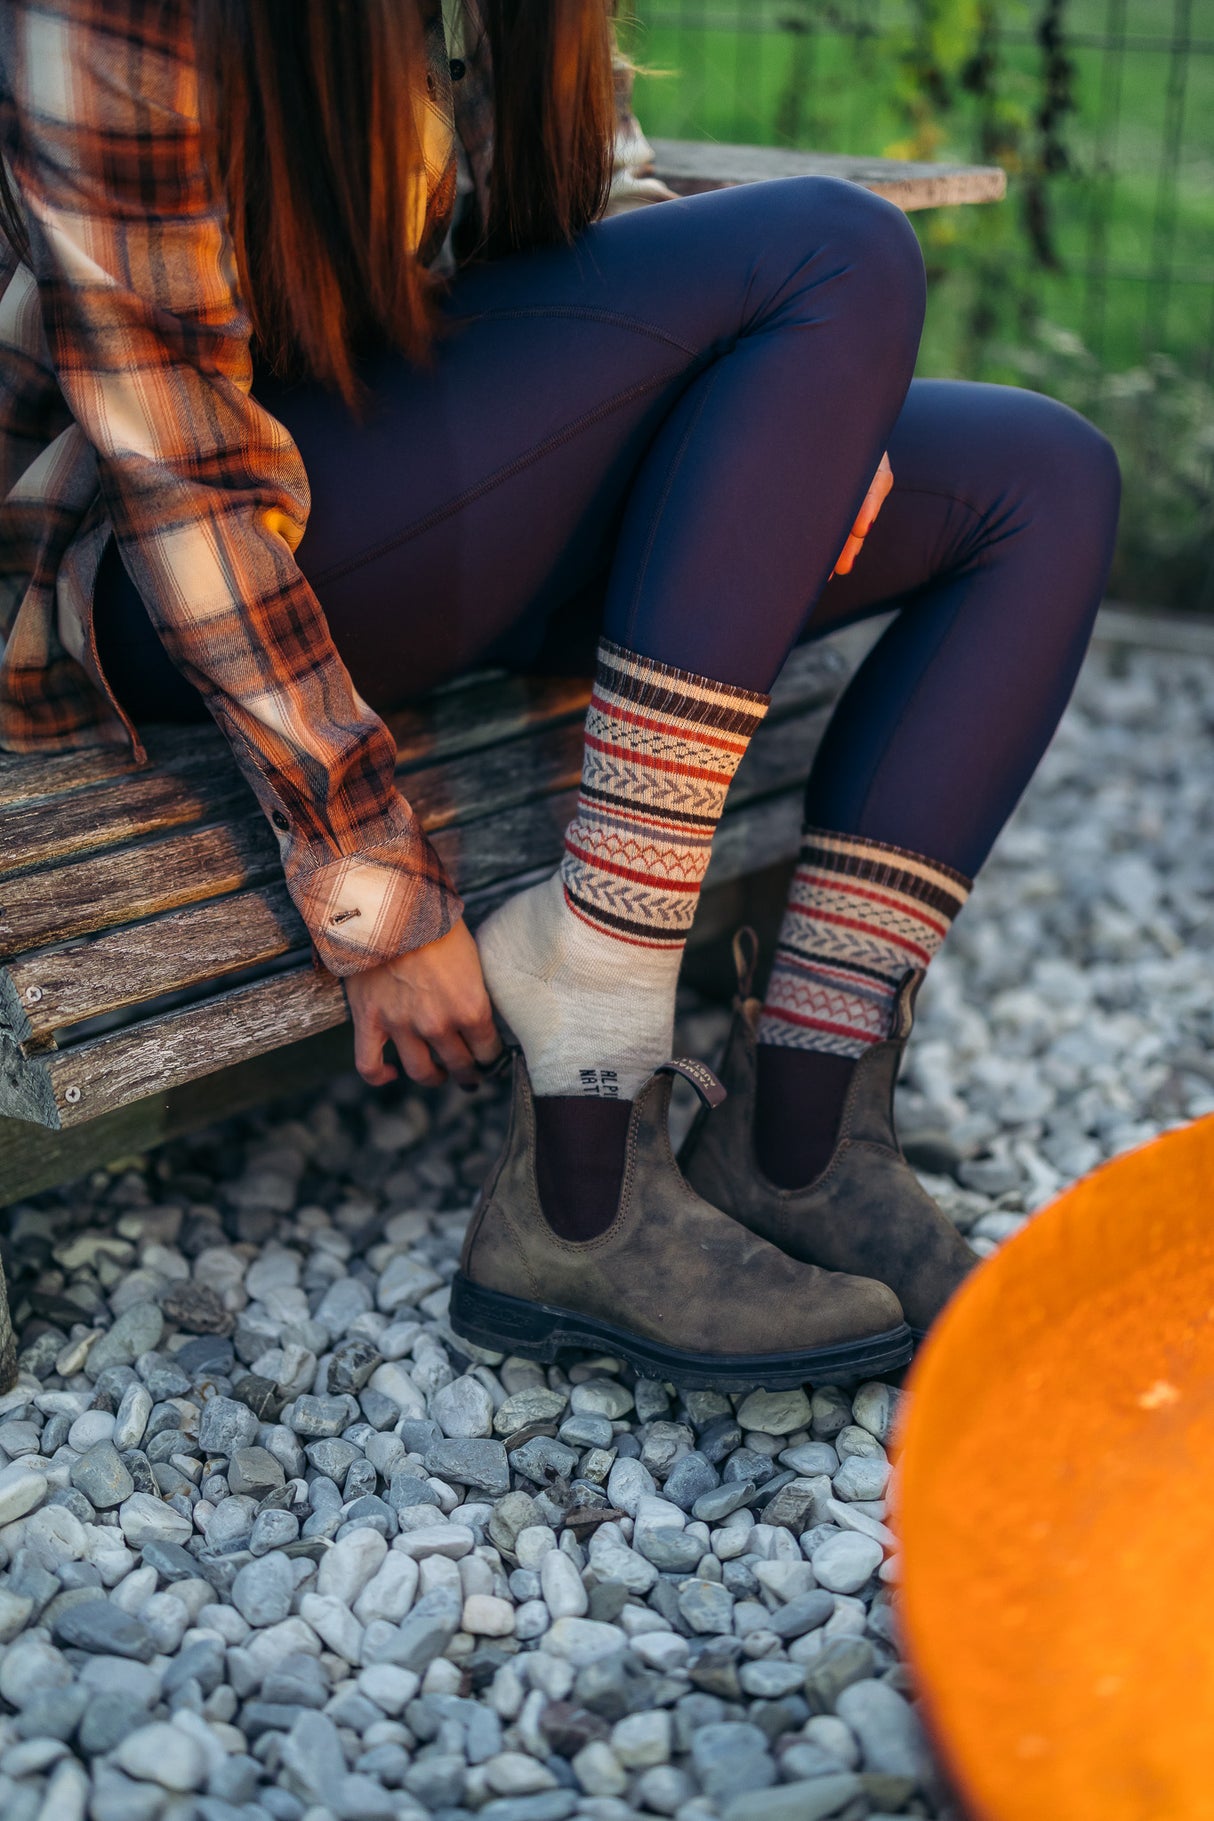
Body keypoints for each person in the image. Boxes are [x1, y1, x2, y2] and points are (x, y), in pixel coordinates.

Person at [0, 0, 1120, 1388]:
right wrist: (367, 880)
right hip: (178, 573)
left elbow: (606, 224)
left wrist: (799, 421)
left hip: (467, 488)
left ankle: (799, 1138)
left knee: (1040, 481)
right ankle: (581, 1164)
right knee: (840, 246)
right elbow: (185, 477)